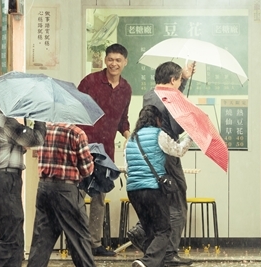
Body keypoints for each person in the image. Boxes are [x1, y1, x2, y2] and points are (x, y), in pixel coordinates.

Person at [0, 107, 46, 267]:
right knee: (11, 241)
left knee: (13, 239)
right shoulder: (6, 122)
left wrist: (20, 147)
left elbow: (2, 149)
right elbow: (36, 139)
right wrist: (40, 117)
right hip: (3, 181)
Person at [78, 43, 132, 257]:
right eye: (110, 59)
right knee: (78, 195)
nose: (113, 63)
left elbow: (123, 120)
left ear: (125, 62)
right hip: (84, 147)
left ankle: (94, 243)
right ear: (105, 60)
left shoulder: (126, 89)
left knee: (99, 196)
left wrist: (129, 136)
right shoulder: (90, 81)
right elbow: (76, 109)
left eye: (118, 60)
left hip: (106, 151)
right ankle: (77, 241)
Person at [138, 61, 194, 266]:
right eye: (178, 81)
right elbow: (177, 128)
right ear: (172, 80)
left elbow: (171, 97)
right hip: (168, 153)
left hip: (151, 153)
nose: (179, 84)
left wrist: (184, 78)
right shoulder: (171, 98)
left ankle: (141, 231)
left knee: (161, 197)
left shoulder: (149, 95)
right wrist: (189, 119)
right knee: (176, 201)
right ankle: (169, 253)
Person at [126, 105, 191, 267]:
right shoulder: (159, 135)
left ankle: (153, 263)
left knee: (150, 231)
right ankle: (146, 262)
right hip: (153, 190)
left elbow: (128, 166)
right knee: (164, 230)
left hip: (133, 191)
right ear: (157, 119)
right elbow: (178, 151)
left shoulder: (131, 139)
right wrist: (190, 137)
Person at [27, 123, 96, 267]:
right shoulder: (76, 133)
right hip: (66, 190)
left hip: (44, 188)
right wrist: (92, 161)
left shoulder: (44, 131)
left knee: (42, 240)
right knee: (79, 238)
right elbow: (86, 170)